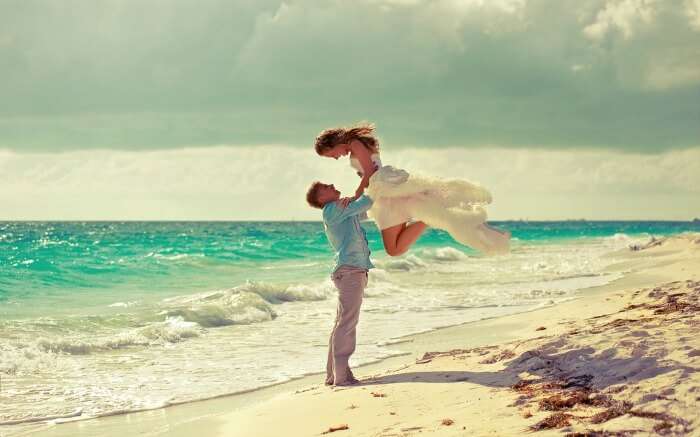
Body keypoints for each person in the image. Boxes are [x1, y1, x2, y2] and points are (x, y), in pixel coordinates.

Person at [315, 122, 510, 256]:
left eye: (330, 154)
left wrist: (355, 197)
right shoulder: (357, 144)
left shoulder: (355, 143)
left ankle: (428, 217)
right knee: (395, 250)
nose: (334, 158)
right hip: (383, 194)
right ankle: (430, 216)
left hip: (384, 194)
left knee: (394, 249)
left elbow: (368, 173)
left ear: (332, 144)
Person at [306, 181, 373, 386]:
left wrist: (357, 194)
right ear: (321, 198)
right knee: (346, 323)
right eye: (326, 186)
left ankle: (334, 375)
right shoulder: (333, 209)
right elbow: (368, 202)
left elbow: (362, 208)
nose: (332, 184)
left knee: (341, 323)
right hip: (350, 271)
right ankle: (341, 377)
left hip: (349, 270)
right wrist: (370, 182)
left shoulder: (340, 209)